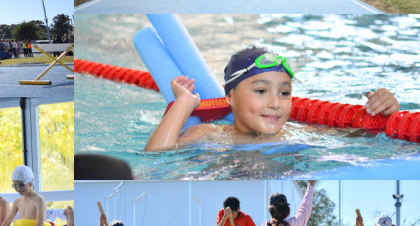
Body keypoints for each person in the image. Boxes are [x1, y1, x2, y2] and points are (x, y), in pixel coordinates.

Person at [145, 46, 399, 150]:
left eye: (285, 92)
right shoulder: (209, 134)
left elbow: (369, 139)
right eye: (261, 91)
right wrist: (184, 103)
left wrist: (387, 113)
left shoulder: (301, 135)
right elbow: (156, 156)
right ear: (230, 97)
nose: (276, 103)